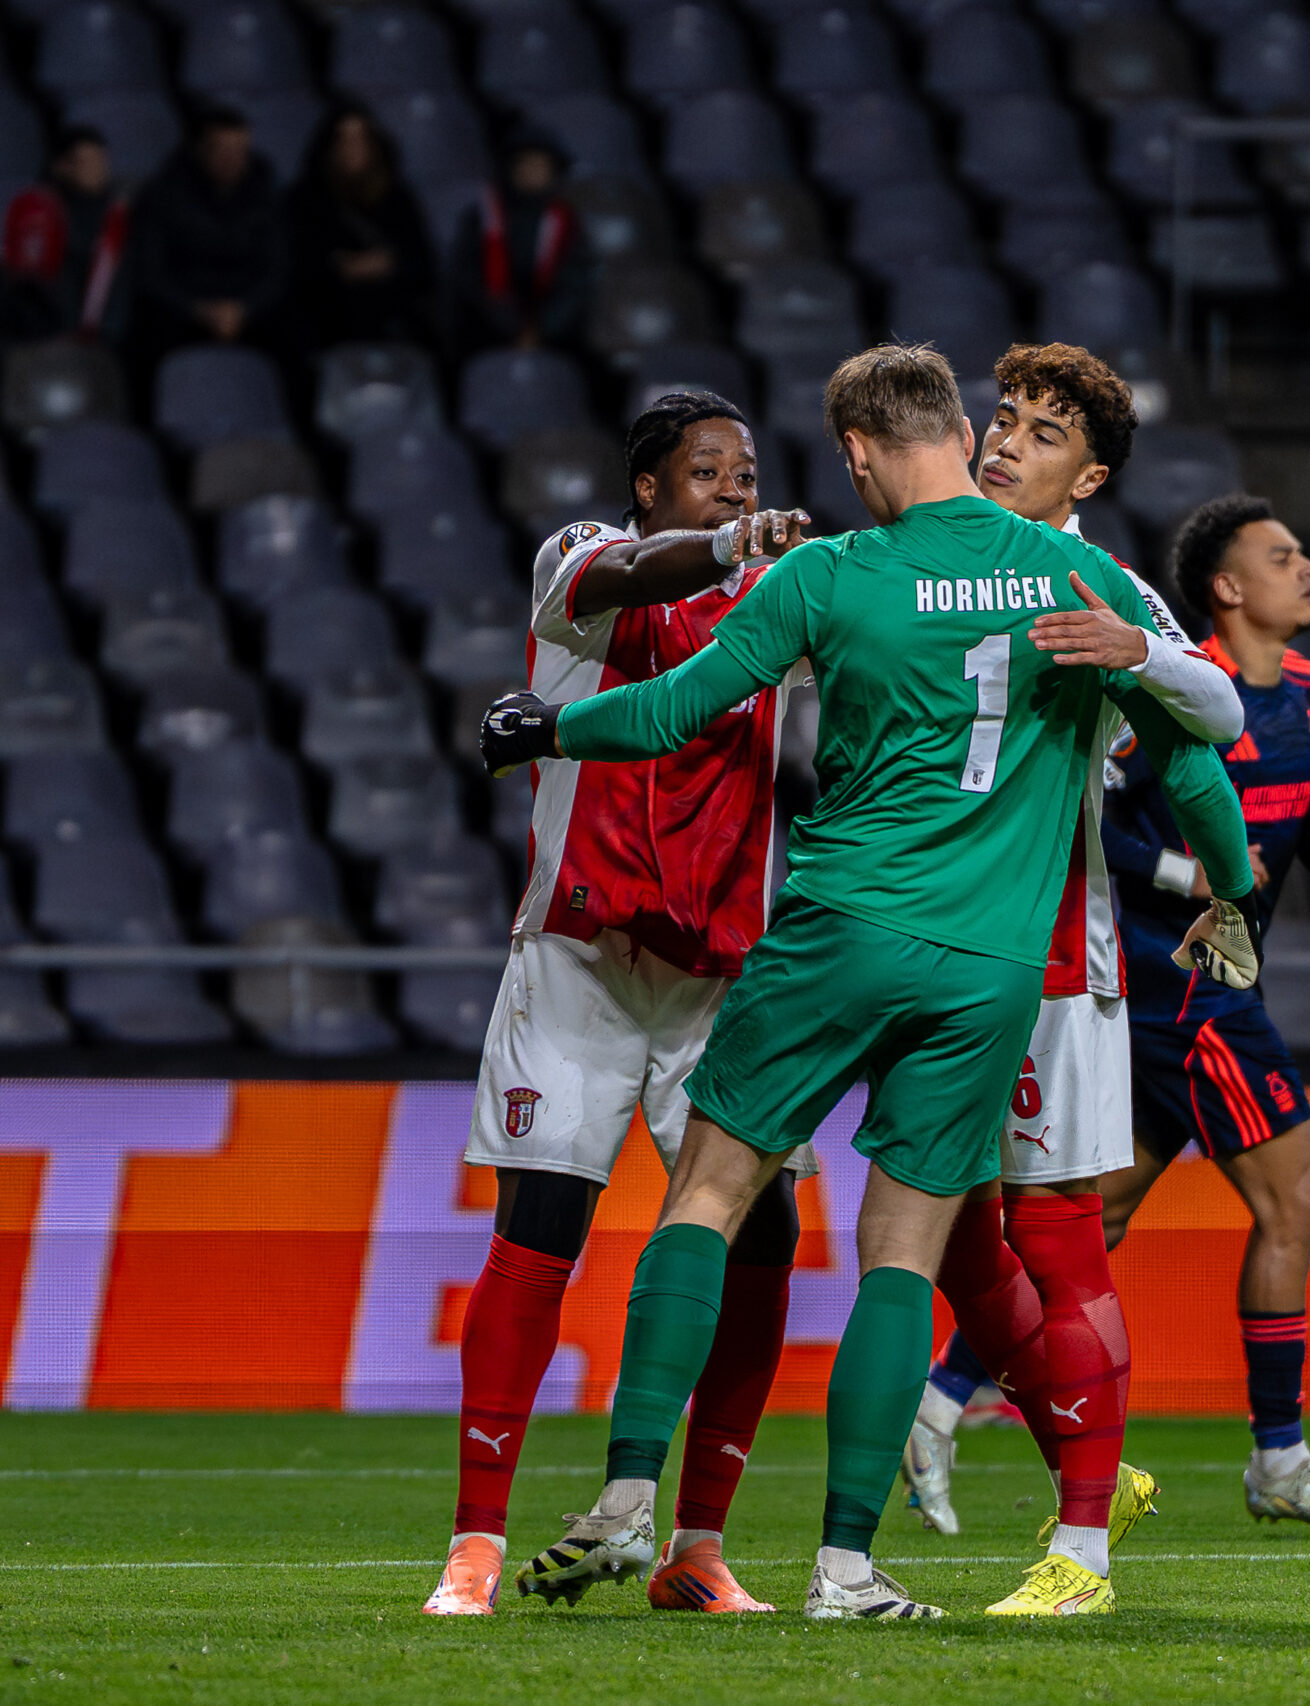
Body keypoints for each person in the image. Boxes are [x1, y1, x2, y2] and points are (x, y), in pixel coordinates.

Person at [480, 344, 1264, 1621]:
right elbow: (1196, 748)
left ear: (853, 454)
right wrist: (1227, 887)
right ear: (961, 429)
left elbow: (675, 708)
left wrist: (545, 723)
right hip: (997, 968)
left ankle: (630, 1495)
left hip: (836, 931)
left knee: (710, 1193)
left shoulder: (828, 570)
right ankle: (847, 1564)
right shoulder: (1081, 578)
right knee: (911, 1251)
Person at [421, 394, 815, 1619]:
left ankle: (695, 1547)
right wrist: (735, 545)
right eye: (707, 473)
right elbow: (641, 568)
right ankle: (474, 1546)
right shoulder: (582, 561)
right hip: (578, 965)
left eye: (745, 474)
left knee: (764, 1237)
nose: (734, 490)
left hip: (718, 978)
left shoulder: (781, 606)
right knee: (540, 1232)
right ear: (647, 486)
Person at [902, 345, 1245, 1610]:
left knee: (1055, 1235)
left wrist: (1134, 650)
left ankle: (1082, 1546)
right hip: (916, 934)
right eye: (1004, 419)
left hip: (1048, 952)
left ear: (1086, 474)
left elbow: (1216, 709)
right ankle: (1084, 1451)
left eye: (1044, 434)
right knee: (939, 1237)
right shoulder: (917, 540)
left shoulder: (1098, 582)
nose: (1007, 442)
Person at [1098, 493, 1310, 1534]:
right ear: (1226, 589)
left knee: (1098, 1211)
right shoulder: (1183, 694)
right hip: (1181, 981)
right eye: (1281, 555)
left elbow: (1306, 848)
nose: (1307, 566)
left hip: (1222, 976)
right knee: (1299, 1203)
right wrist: (1186, 870)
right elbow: (1089, 821)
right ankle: (1279, 1455)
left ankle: (945, 1398)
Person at [129, 104, 287, 354]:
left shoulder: (265, 193)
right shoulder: (163, 195)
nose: (232, 159)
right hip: (182, 310)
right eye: (222, 149)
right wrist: (198, 310)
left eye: (239, 150)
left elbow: (277, 267)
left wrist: (245, 308)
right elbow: (150, 271)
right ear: (200, 149)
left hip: (248, 310)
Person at [286, 104, 433, 348]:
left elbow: (423, 264)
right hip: (324, 322)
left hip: (393, 321)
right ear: (328, 146)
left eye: (361, 139)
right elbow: (293, 266)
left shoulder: (398, 199)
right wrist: (341, 268)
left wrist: (388, 264)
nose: (352, 148)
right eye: (343, 139)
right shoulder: (303, 201)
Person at [445, 128, 591, 357]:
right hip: (487, 331)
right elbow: (466, 273)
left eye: (540, 165)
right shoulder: (483, 216)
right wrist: (503, 321)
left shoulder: (568, 222)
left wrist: (542, 328)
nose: (531, 172)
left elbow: (576, 283)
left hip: (554, 337)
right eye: (524, 163)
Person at [0, 125, 130, 348]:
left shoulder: (117, 213)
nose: (98, 169)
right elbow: (30, 283)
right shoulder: (38, 211)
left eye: (101, 161)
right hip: (45, 332)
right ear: (61, 166)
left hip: (108, 337)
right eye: (87, 162)